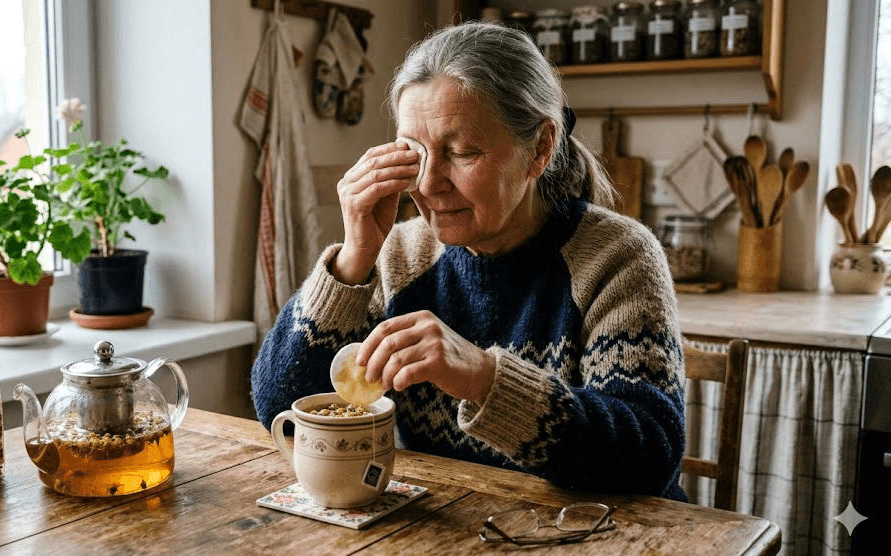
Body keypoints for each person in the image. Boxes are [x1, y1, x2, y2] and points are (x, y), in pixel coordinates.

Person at [251, 21, 687, 501]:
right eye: (415, 152)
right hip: (448, 528)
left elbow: (650, 458)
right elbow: (279, 410)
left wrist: (485, 380)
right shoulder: (399, 254)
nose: (429, 183)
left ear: (540, 148)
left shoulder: (617, 258)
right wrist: (351, 261)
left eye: (461, 153)